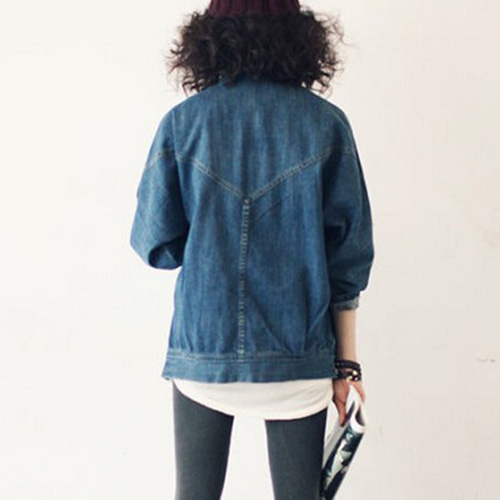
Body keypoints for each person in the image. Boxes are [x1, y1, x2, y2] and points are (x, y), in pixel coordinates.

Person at [129, 0, 375, 498]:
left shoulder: (184, 124)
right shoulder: (327, 125)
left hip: (204, 352)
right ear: (299, 36)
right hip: (298, 356)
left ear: (209, 40)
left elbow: (156, 244)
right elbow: (347, 263)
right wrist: (347, 367)